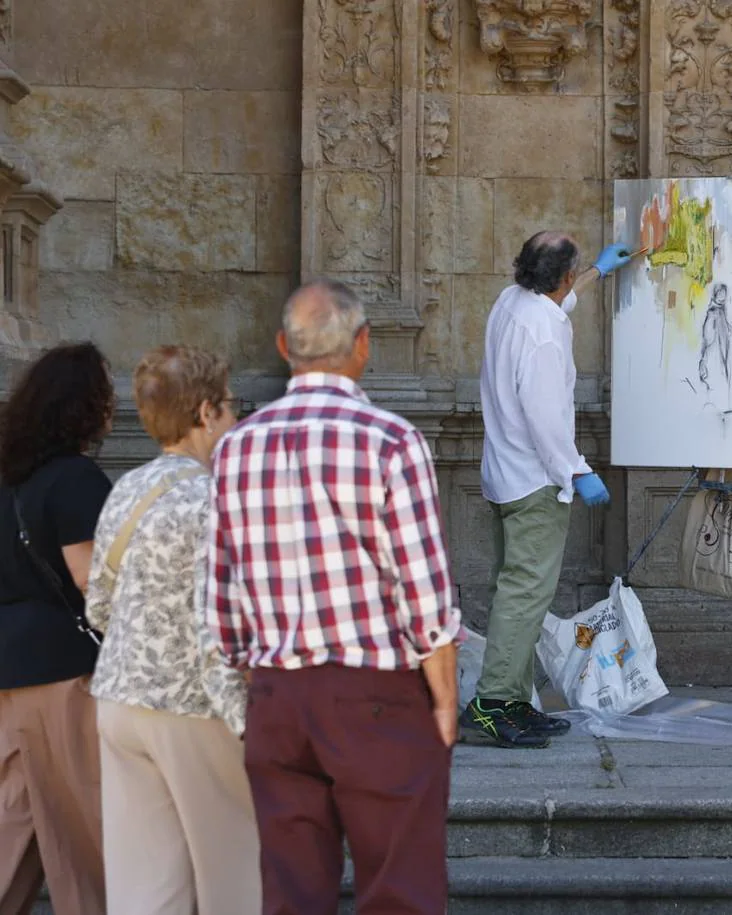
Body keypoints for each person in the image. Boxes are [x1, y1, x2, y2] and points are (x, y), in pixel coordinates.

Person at [205, 279, 462, 915]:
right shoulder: (391, 440)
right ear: (364, 345)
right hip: (376, 690)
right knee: (400, 887)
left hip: (278, 691)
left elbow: (221, 594)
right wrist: (447, 699)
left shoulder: (236, 446)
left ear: (282, 347)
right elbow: (423, 591)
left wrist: (254, 682)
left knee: (290, 892)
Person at [85, 345, 257, 915]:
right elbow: (217, 633)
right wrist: (249, 727)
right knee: (234, 881)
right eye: (230, 406)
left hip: (119, 699)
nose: (235, 418)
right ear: (206, 413)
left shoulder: (126, 488)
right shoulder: (214, 500)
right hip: (194, 709)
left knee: (146, 891)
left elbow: (98, 606)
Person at [463, 232, 631, 749]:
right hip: (534, 481)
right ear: (559, 277)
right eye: (574, 271)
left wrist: (598, 273)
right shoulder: (543, 334)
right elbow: (546, 416)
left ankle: (512, 701)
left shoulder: (513, 301)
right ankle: (492, 705)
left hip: (506, 475)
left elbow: (558, 303)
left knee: (517, 592)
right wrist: (577, 470)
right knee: (523, 594)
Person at [0, 342, 114, 915]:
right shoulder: (75, 480)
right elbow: (91, 580)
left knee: (12, 826)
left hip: (9, 670)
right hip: (65, 672)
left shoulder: (8, 481)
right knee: (89, 832)